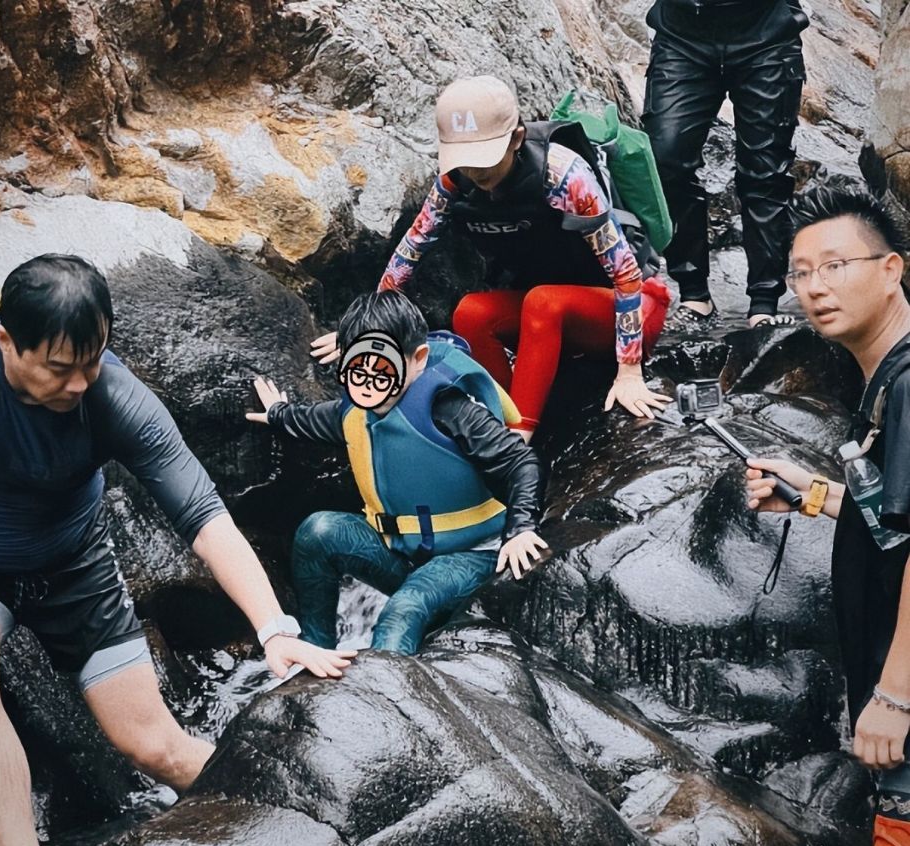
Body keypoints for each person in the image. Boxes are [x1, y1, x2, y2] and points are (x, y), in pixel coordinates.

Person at [0, 254, 355, 846]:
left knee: (154, 746)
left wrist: (274, 630)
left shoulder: (112, 396)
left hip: (72, 566)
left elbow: (202, 512)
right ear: (6, 341)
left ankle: (318, 825)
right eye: (60, 368)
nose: (78, 384)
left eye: (91, 362)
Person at [311, 75, 672, 443]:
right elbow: (411, 249)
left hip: (626, 309)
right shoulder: (457, 182)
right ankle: (496, 415)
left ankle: (517, 438)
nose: (475, 170)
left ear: (516, 138)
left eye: (485, 157)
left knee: (542, 300)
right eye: (465, 159)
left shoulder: (563, 176)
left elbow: (627, 275)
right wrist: (367, 329)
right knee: (470, 311)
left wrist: (629, 372)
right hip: (547, 321)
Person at [743, 188, 910, 846]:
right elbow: (898, 520)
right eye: (802, 272)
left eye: (836, 265)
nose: (815, 287)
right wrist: (816, 496)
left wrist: (896, 698)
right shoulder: (885, 382)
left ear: (892, 268)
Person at [248, 290, 545, 654]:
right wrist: (279, 414)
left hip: (473, 555)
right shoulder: (355, 410)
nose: (370, 379)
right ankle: (315, 650)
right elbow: (315, 420)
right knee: (317, 532)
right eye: (358, 366)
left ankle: (385, 695)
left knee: (401, 610)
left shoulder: (449, 407)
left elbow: (521, 462)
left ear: (418, 359)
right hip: (404, 556)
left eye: (383, 366)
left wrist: (521, 530)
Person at [643, 0, 809, 331]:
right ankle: (694, 294)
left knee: (765, 170)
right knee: (665, 159)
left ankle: (764, 303)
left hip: (767, 34)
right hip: (682, 35)